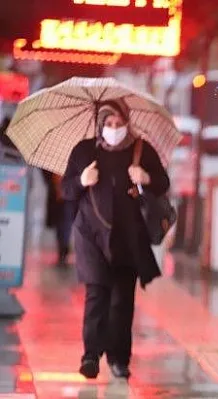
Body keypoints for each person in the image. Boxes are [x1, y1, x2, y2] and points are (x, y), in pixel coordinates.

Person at [61, 99, 170, 380]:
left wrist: (145, 177)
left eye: (119, 124)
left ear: (127, 123)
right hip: (90, 235)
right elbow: (67, 189)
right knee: (96, 294)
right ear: (100, 125)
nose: (113, 129)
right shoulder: (85, 150)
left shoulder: (141, 150)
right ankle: (90, 356)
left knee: (122, 300)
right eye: (108, 124)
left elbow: (163, 183)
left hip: (128, 237)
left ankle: (119, 358)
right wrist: (81, 180)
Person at [42, 170, 77, 266]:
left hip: (68, 197)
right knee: (60, 225)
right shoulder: (51, 169)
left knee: (65, 225)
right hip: (57, 196)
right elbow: (46, 176)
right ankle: (62, 251)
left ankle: (63, 252)